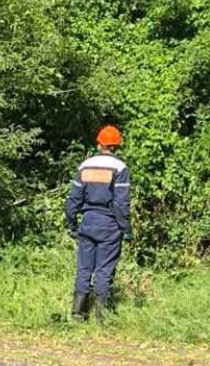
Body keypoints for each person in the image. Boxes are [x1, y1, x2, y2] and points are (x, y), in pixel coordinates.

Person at [65, 125, 132, 323]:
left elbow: (73, 200)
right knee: (104, 270)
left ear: (99, 143)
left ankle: (78, 315)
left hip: (87, 224)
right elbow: (121, 203)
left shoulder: (85, 166)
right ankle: (102, 318)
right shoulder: (120, 168)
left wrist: (72, 224)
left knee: (84, 269)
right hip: (109, 226)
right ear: (116, 146)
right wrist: (126, 229)